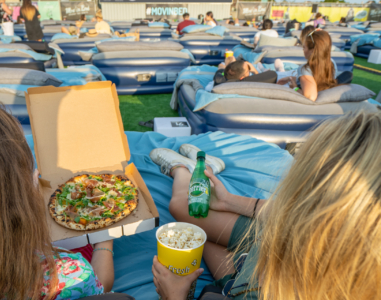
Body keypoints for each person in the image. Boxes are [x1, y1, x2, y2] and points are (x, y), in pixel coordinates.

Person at [151, 111, 381, 300]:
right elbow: (286, 212)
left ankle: (181, 168)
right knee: (188, 211)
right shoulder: (351, 240)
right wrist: (228, 201)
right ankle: (195, 167)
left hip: (247, 280)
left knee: (191, 222)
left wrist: (174, 296)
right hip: (262, 259)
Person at [0, 92, 115, 300]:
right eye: (28, 168)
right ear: (14, 197)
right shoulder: (68, 274)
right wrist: (104, 242)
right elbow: (100, 287)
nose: (36, 175)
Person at [277, 28, 338, 101]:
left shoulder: (304, 69)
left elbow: (310, 97)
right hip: (295, 78)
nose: (303, 50)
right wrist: (294, 79)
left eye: (304, 47)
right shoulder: (331, 63)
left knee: (277, 64)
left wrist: (294, 87)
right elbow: (318, 79)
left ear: (312, 51)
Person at [213, 57, 277, 86]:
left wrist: (227, 66)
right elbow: (272, 75)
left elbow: (221, 72)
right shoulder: (248, 83)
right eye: (248, 69)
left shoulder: (219, 79)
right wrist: (255, 71)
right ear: (242, 78)